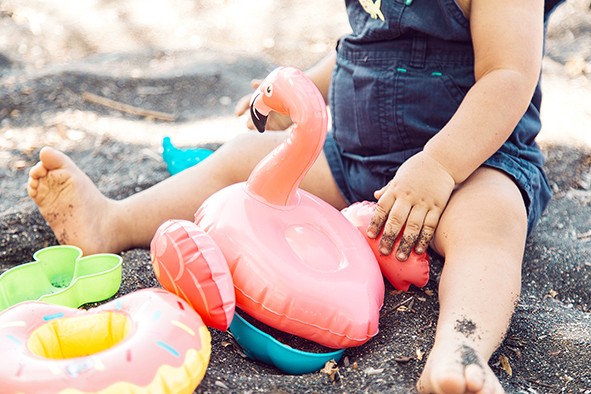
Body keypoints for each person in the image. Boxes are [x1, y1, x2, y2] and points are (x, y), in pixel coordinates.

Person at [28, 0, 566, 392]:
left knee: (492, 223)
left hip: (467, 168)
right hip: (354, 162)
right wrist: (301, 94)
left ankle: (462, 347)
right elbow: (362, 50)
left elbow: (508, 75)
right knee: (243, 159)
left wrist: (440, 166)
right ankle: (112, 223)